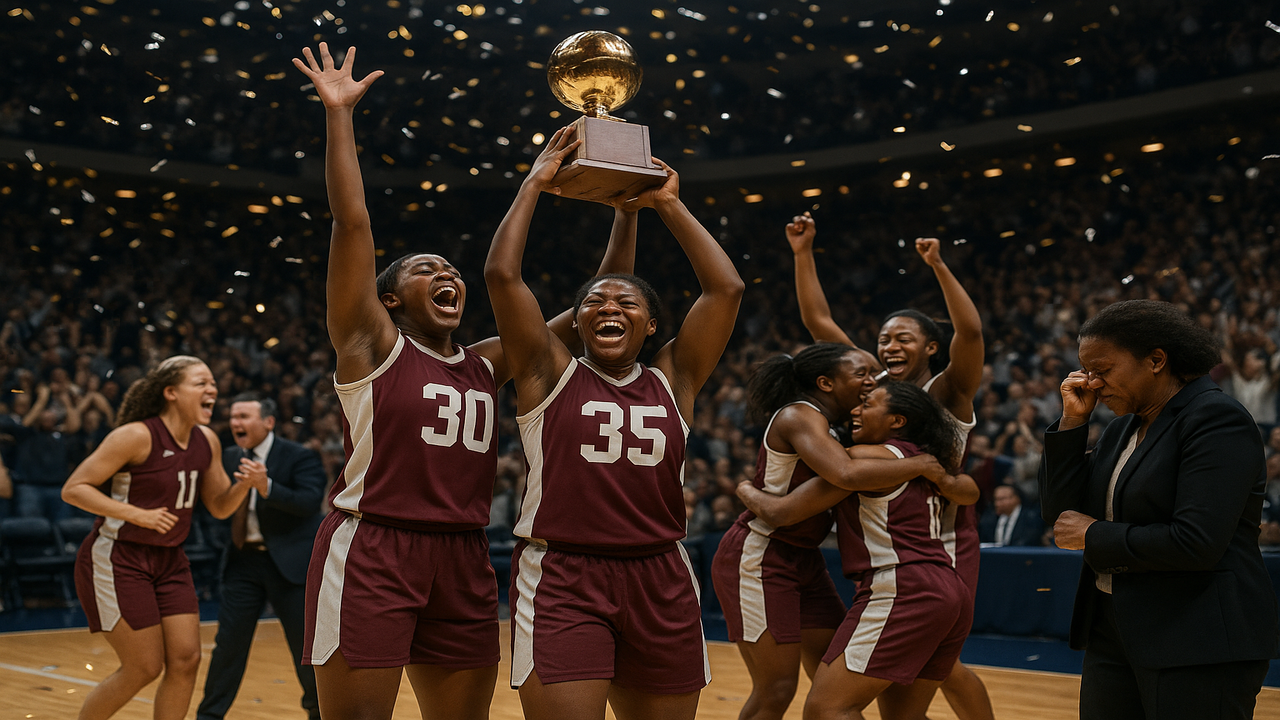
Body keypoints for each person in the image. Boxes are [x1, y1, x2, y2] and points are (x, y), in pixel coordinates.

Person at [291, 44, 638, 720]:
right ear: (389, 300)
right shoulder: (369, 344)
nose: (447, 275)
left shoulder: (487, 361)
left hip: (464, 553)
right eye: (426, 268)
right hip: (373, 545)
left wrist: (624, 207)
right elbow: (353, 223)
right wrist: (339, 117)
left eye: (452, 269)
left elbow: (598, 304)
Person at [484, 125, 744, 720]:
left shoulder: (675, 377)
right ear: (576, 323)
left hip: (661, 570)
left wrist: (667, 204)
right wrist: (533, 184)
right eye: (595, 302)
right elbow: (503, 277)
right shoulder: (546, 371)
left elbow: (725, 288)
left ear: (651, 326)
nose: (609, 307)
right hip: (564, 573)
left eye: (627, 302)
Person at [786, 213, 993, 719]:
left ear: (929, 347)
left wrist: (939, 266)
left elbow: (969, 331)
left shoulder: (946, 391)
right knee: (918, 682)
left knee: (945, 664)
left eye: (903, 338)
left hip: (937, 542)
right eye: (884, 339)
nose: (889, 347)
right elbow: (820, 325)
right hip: (896, 537)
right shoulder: (876, 392)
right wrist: (803, 254)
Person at [1040, 299, 1279, 720]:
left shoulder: (1217, 418)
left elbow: (1196, 543)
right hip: (1114, 628)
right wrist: (1072, 425)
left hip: (1197, 638)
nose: (1091, 383)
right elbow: (1061, 516)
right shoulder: (1120, 429)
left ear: (1155, 360)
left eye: (1103, 370)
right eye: (1087, 371)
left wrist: (1094, 535)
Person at [710, 344, 945, 720]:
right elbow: (845, 475)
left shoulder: (839, 427)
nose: (872, 382)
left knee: (834, 677)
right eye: (862, 374)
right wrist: (919, 464)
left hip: (805, 557)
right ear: (826, 383)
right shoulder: (800, 414)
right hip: (761, 553)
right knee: (777, 689)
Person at [61, 355, 262, 720]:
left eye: (213, 383)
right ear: (171, 392)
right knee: (144, 667)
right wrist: (137, 514)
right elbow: (74, 489)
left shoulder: (206, 440)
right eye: (200, 383)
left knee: (186, 660)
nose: (212, 389)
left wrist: (244, 486)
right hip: (119, 557)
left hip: (170, 560)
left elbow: (218, 507)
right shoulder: (136, 435)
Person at [197, 394, 326, 720]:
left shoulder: (300, 456)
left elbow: (310, 503)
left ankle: (317, 712)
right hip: (245, 562)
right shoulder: (227, 457)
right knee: (229, 644)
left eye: (244, 416)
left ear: (268, 422)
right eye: (233, 416)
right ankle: (209, 716)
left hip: (292, 565)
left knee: (304, 649)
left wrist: (266, 485)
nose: (236, 422)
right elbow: (214, 503)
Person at [977, 485, 1042, 547]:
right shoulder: (989, 518)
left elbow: (1029, 541)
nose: (997, 504)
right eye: (995, 499)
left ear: (1016, 499)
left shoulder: (1030, 518)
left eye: (1001, 499)